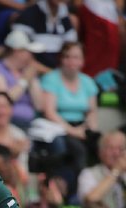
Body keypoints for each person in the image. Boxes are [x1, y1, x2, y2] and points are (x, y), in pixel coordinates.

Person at [40, 41, 99, 196]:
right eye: (67, 57)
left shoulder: (88, 82)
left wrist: (90, 131)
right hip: (59, 128)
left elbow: (92, 112)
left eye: (75, 57)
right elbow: (50, 112)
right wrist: (73, 131)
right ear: (61, 59)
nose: (71, 61)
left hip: (82, 126)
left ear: (82, 60)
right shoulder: (51, 79)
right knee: (79, 150)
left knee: (102, 145)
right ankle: (76, 195)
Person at [0, 29, 44, 129]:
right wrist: (24, 80)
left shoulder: (27, 71)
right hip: (4, 122)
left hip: (29, 122)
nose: (32, 56)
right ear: (17, 51)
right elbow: (2, 102)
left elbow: (39, 105)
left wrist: (32, 80)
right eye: (29, 52)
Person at [77, 130, 126, 208]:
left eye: (121, 148)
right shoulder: (88, 174)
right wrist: (116, 171)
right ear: (100, 152)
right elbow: (91, 200)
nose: (116, 153)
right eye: (111, 148)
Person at [11, 0, 78, 69]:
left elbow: (71, 48)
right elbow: (18, 52)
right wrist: (47, 71)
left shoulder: (66, 16)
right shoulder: (29, 14)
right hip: (32, 70)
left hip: (59, 70)